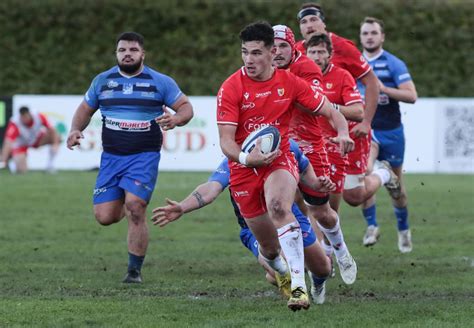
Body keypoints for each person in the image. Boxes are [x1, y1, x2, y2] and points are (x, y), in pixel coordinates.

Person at [216, 21, 352, 311]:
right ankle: (281, 271)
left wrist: (342, 132)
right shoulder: (231, 87)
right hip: (243, 169)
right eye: (244, 53)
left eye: (256, 53)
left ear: (271, 52)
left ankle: (300, 288)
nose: (249, 60)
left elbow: (330, 111)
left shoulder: (290, 83)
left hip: (279, 160)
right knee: (269, 249)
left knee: (280, 207)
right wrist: (246, 159)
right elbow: (226, 142)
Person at [66, 32, 193, 283]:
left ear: (142, 54)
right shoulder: (102, 81)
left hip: (143, 157)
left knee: (136, 208)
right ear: (116, 54)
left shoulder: (160, 82)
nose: (127, 54)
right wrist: (74, 129)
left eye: (133, 50)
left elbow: (186, 107)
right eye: (122, 50)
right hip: (112, 158)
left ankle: (134, 272)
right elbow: (85, 108)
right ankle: (129, 196)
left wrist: (177, 119)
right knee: (105, 217)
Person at [151, 140, 332, 305]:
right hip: (252, 227)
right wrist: (182, 207)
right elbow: (211, 189)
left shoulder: (287, 146)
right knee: (275, 261)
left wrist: (316, 184)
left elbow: (306, 169)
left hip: (288, 216)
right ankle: (282, 273)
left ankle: (316, 285)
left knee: (323, 268)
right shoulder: (236, 159)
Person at [272, 25, 358, 285]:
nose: (277, 52)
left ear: (293, 47)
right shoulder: (262, 67)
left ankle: (340, 249)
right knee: (285, 207)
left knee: (322, 211)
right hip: (280, 149)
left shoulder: (307, 69)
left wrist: (343, 131)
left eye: (283, 46)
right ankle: (313, 271)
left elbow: (322, 106)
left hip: (310, 146)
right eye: (272, 46)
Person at [359, 17, 417, 252]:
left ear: (382, 36)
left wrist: (383, 89)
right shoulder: (354, 64)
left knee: (397, 190)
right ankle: (372, 226)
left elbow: (411, 96)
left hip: (391, 132)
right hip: (365, 131)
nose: (369, 37)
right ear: (360, 37)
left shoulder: (393, 64)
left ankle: (403, 230)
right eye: (365, 33)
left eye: (374, 32)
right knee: (361, 177)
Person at [0, 106, 60, 173]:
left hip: (36, 139)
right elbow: (8, 142)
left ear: (30, 114)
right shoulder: (15, 123)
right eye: (22, 117)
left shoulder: (38, 116)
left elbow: (52, 129)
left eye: (26, 117)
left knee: (57, 137)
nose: (24, 119)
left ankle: (50, 165)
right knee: (22, 170)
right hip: (21, 144)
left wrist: (55, 144)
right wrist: (3, 161)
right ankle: (13, 162)